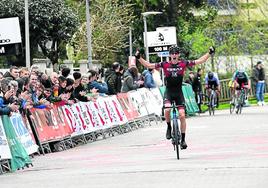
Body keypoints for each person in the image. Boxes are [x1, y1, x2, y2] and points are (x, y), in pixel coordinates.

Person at [135, 45, 215, 149]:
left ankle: (183, 140)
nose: (174, 55)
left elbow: (199, 61)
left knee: (182, 115)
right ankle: (169, 127)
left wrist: (209, 53)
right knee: (167, 109)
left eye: (176, 53)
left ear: (178, 55)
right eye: (172, 53)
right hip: (169, 92)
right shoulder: (164, 64)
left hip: (178, 93)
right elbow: (149, 65)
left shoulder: (183, 63)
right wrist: (139, 58)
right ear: (169, 55)